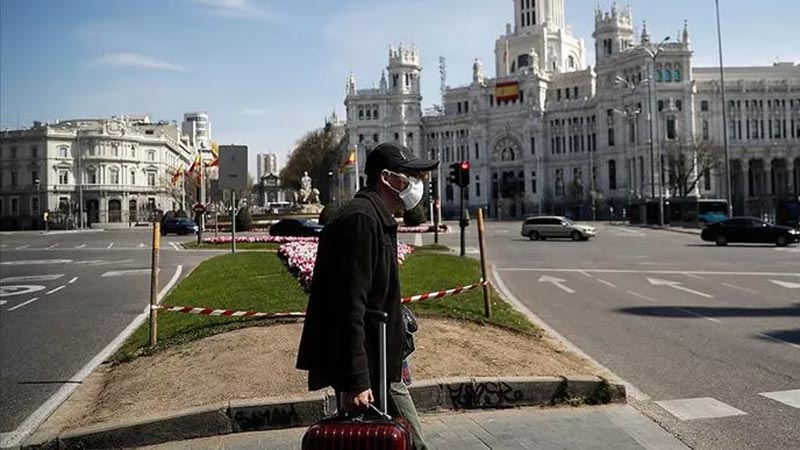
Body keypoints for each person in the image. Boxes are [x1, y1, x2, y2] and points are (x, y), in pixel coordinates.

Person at [297, 142, 437, 450]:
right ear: (387, 178)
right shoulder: (361, 220)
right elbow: (349, 306)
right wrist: (356, 380)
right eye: (410, 175)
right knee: (411, 443)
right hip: (370, 366)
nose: (418, 183)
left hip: (382, 361)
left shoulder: (375, 216)